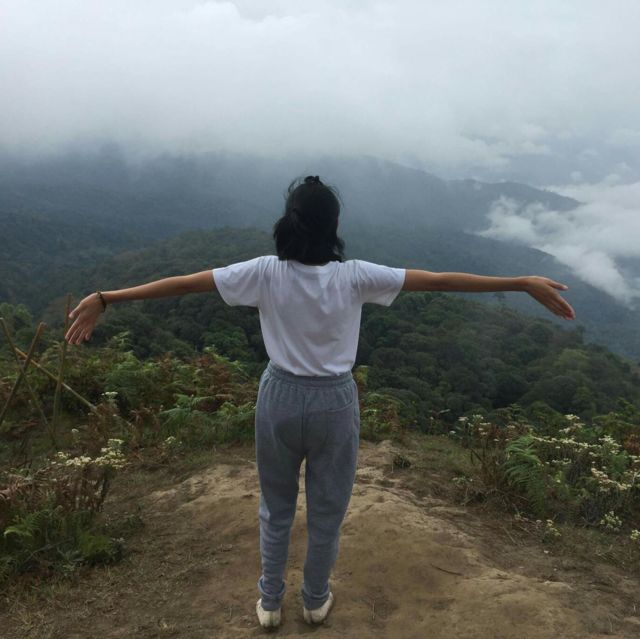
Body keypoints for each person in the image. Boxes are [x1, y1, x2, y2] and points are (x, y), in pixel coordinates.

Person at [65, 174, 576, 629]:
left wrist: (108, 297)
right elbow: (439, 281)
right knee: (327, 509)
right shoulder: (355, 276)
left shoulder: (264, 272)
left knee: (276, 506)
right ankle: (314, 601)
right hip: (334, 403)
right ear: (334, 227)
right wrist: (521, 283)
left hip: (279, 397)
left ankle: (270, 601)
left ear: (288, 223)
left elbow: (183, 284)